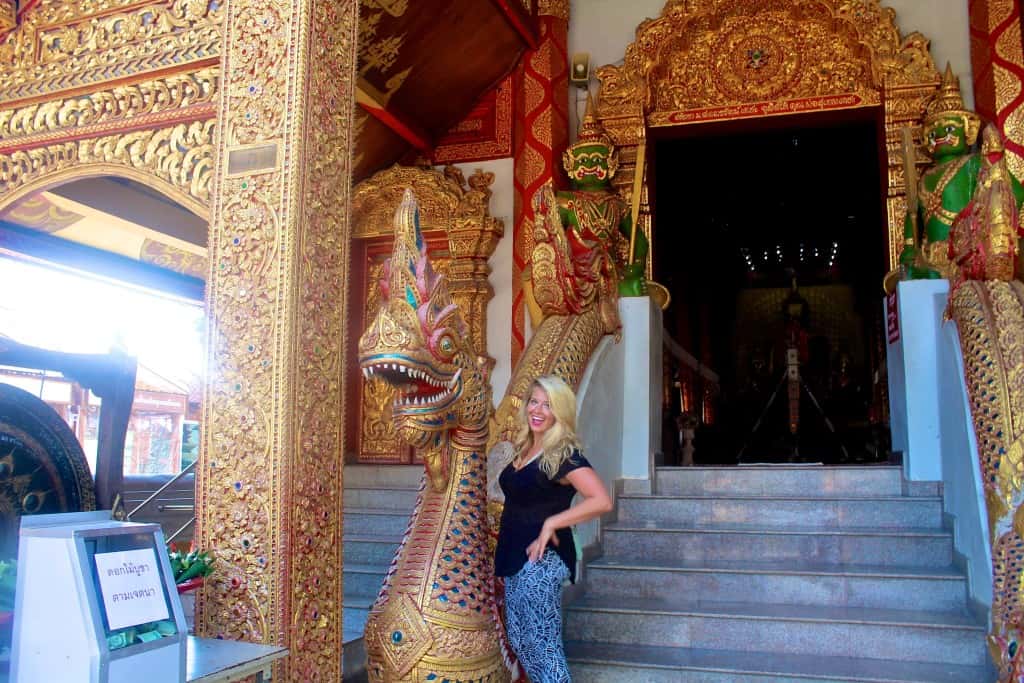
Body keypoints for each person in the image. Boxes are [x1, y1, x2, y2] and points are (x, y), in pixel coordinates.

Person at [493, 375, 613, 683]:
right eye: (534, 401)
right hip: (516, 556)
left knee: (543, 647)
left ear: (560, 413)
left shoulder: (563, 455)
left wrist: (552, 523)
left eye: (548, 405)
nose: (538, 410)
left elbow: (601, 500)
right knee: (521, 641)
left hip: (542, 560)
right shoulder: (525, 448)